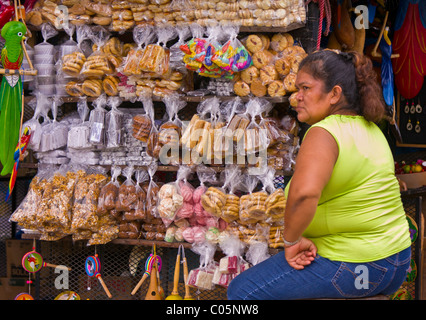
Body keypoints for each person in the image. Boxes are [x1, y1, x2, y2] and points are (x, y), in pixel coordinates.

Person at [227, 49, 412, 300]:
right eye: (297, 89)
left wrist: (291, 243)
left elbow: (304, 195)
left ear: (334, 94)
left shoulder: (324, 132)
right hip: (396, 262)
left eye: (305, 88)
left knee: (243, 292)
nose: (297, 97)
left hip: (357, 266)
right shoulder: (371, 128)